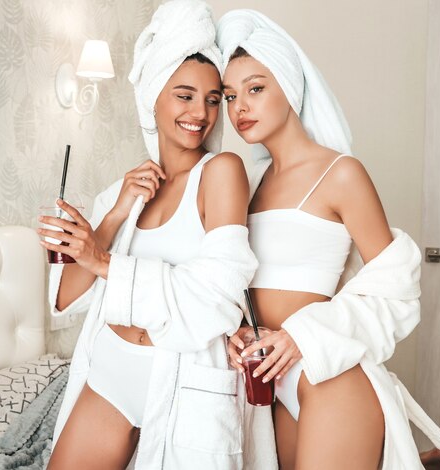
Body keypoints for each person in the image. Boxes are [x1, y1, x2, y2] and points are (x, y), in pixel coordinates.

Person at [216, 9, 440, 470]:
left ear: (290, 88)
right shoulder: (247, 184)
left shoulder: (341, 174)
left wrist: (301, 335)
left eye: (255, 88)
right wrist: (234, 331)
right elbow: (235, 278)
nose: (240, 108)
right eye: (231, 95)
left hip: (329, 381)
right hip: (273, 388)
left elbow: (396, 289)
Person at [39, 1, 274, 468]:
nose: (201, 113)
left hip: (183, 379)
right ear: (153, 97)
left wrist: (101, 261)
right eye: (184, 95)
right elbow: (64, 300)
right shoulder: (122, 192)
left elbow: (219, 294)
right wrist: (114, 217)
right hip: (110, 371)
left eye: (212, 99)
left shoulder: (222, 172)